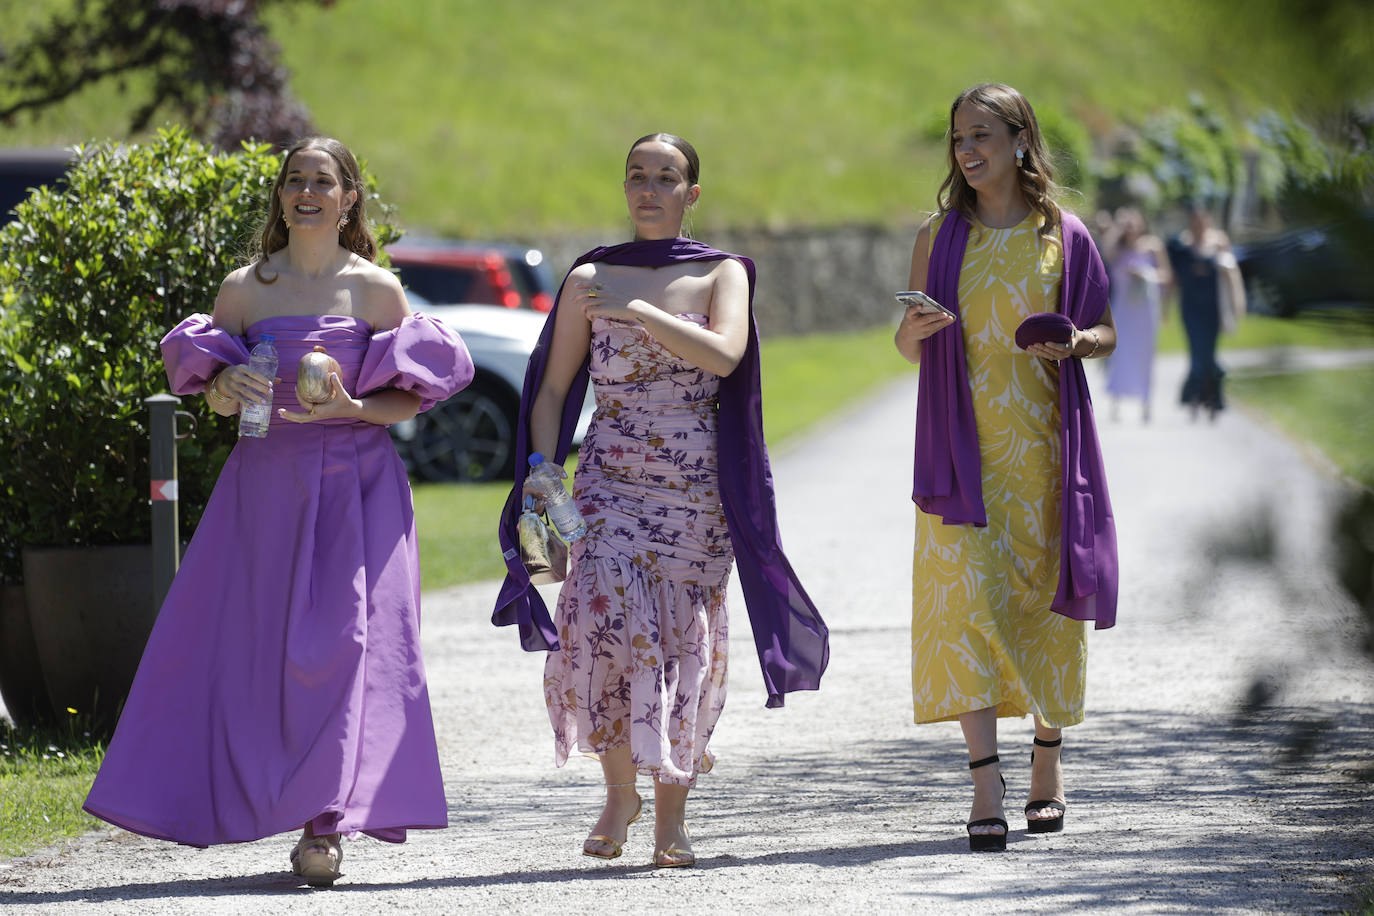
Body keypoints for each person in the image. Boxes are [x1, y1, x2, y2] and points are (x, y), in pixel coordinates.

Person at [84, 137, 474, 886]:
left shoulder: (376, 291)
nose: (306, 191)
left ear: (349, 197)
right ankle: (229, 799)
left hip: (360, 487)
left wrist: (358, 405)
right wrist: (228, 389)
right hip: (266, 486)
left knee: (353, 644)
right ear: (282, 195)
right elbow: (214, 385)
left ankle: (325, 825)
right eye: (295, 180)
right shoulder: (245, 289)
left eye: (322, 181)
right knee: (256, 651)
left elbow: (407, 397)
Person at [491, 133, 829, 868]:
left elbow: (725, 354)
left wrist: (639, 311)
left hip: (696, 486)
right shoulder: (590, 275)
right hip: (609, 475)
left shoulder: (722, 273)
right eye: (637, 176)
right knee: (601, 625)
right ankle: (619, 792)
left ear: (692, 193)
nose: (649, 188)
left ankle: (671, 812)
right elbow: (552, 388)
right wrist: (544, 472)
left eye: (666, 177)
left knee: (682, 643)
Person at [894, 84, 1119, 852]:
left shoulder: (1066, 232)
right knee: (964, 608)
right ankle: (985, 782)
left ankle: (1046, 766)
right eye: (958, 136)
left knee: (1042, 605)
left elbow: (1106, 329)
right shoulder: (937, 235)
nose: (967, 149)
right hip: (960, 453)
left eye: (982, 134)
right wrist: (915, 328)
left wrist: (1077, 343)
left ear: (1021, 139)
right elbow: (905, 346)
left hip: (1044, 452)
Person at [1166, 203, 1246, 420]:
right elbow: (1174, 279)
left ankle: (1209, 394)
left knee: (1208, 354)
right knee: (1196, 354)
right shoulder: (1182, 246)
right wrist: (1166, 307)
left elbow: (1232, 275)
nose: (1199, 226)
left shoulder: (1219, 243)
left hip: (1212, 308)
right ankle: (1197, 396)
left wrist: (1238, 303)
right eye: (1195, 222)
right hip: (1190, 308)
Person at [1103, 207, 1170, 422]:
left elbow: (1166, 275)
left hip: (1145, 312)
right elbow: (1105, 251)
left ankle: (1146, 402)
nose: (1131, 228)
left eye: (1133, 223)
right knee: (1120, 354)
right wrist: (1118, 227)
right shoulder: (1117, 249)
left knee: (1145, 357)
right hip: (1123, 311)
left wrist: (1145, 274)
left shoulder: (1152, 246)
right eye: (1127, 224)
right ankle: (1116, 401)